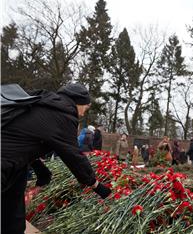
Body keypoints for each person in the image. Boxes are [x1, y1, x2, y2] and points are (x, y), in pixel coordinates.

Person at [1, 83, 111, 234]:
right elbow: (74, 156)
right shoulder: (63, 114)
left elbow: (23, 140)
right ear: (78, 102)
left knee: (12, 218)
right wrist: (97, 186)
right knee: (11, 217)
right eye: (86, 107)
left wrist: (41, 170)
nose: (84, 113)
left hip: (12, 164)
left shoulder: (43, 103)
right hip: (4, 165)